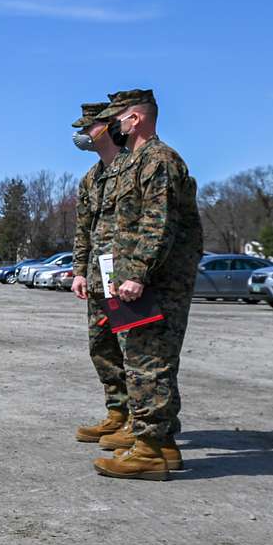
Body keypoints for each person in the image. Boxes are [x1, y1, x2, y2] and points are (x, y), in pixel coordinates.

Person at [88, 89, 204, 481]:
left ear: (134, 119)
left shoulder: (159, 160)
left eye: (116, 117)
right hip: (136, 277)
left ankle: (150, 449)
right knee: (146, 360)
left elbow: (158, 223)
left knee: (148, 362)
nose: (112, 124)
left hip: (156, 280)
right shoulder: (135, 161)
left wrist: (136, 272)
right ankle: (162, 443)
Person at [70, 102, 134, 444]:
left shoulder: (132, 168)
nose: (81, 136)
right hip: (97, 278)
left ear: (109, 127)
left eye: (88, 128)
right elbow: (84, 229)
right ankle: (117, 412)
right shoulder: (91, 179)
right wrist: (79, 271)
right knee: (102, 348)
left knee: (133, 351)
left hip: (126, 276)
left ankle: (139, 422)